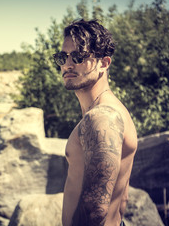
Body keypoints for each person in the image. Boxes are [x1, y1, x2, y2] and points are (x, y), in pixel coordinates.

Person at [53, 19, 138, 226]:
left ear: (104, 63)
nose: (68, 64)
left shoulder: (102, 117)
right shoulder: (108, 111)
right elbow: (122, 198)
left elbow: (95, 209)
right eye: (62, 57)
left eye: (79, 56)